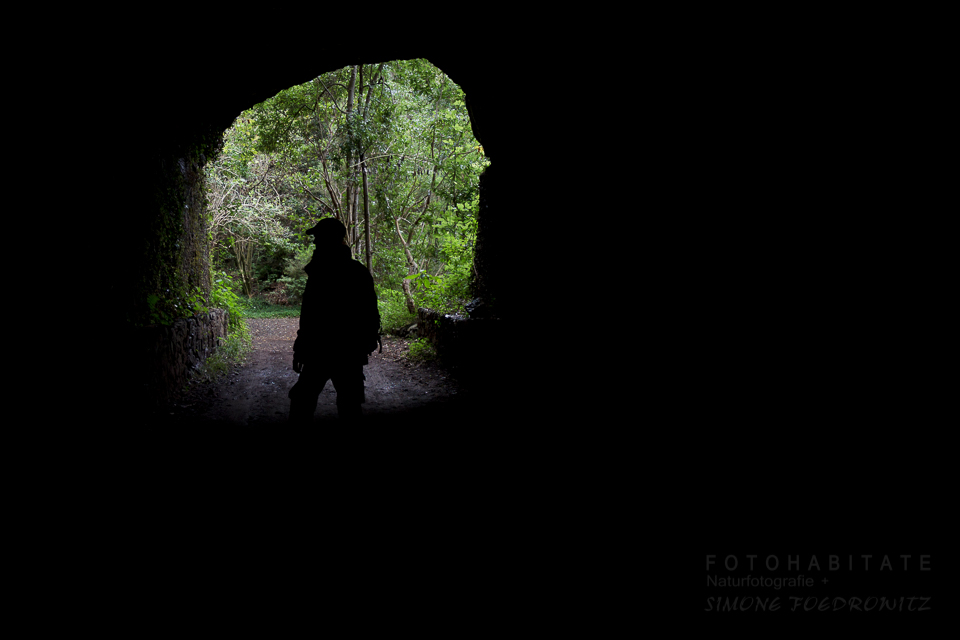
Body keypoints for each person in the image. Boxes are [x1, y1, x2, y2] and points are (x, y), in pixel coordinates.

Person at [288, 217, 380, 424]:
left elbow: (310, 315)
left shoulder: (320, 272)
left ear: (328, 239)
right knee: (349, 405)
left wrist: (301, 348)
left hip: (321, 349)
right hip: (349, 351)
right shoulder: (357, 271)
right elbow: (370, 312)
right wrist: (367, 342)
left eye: (318, 237)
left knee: (303, 401)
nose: (315, 242)